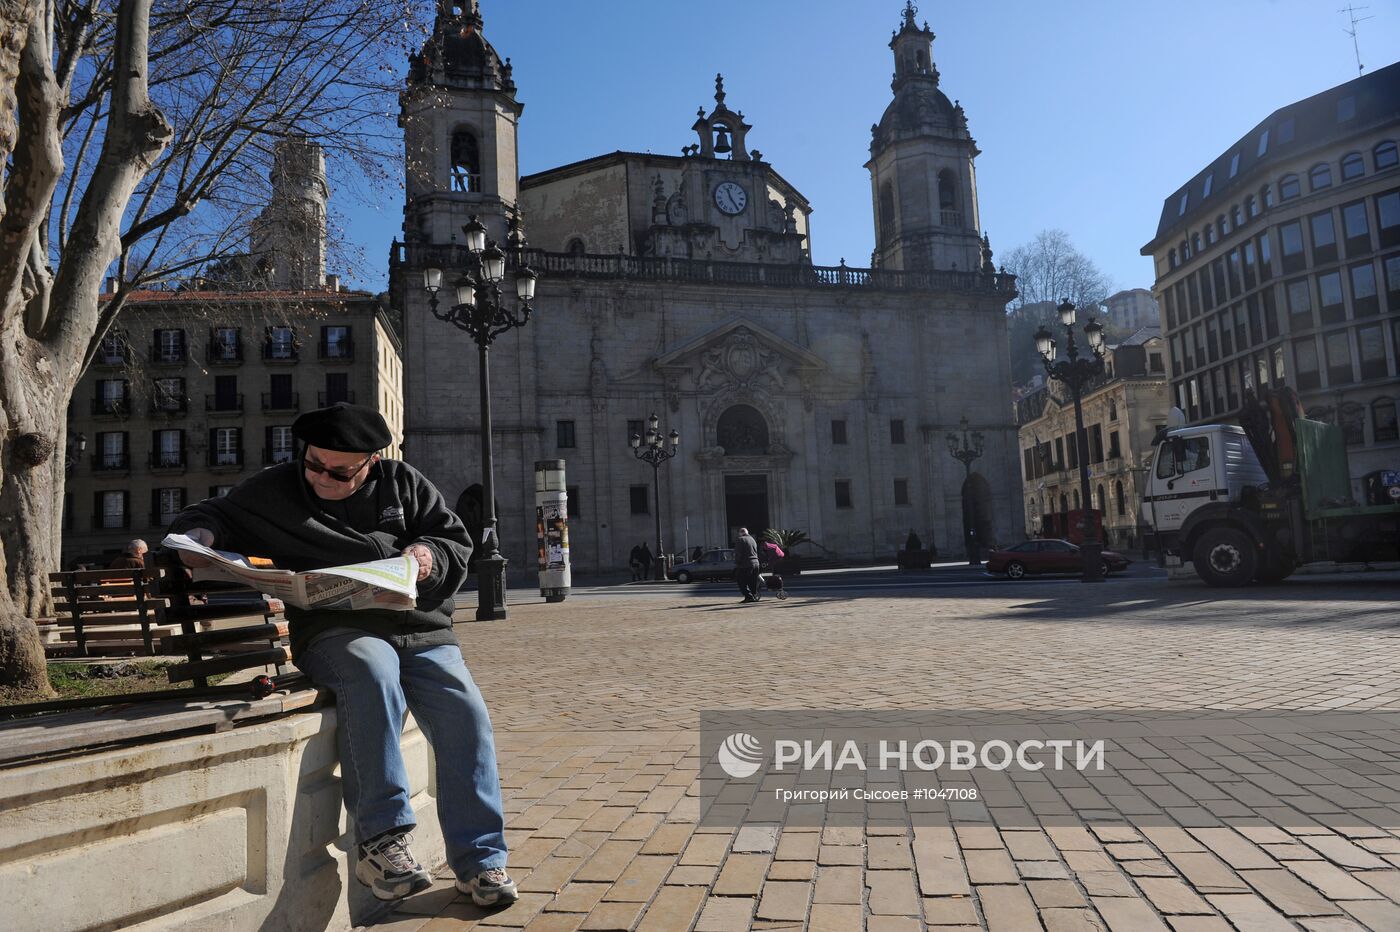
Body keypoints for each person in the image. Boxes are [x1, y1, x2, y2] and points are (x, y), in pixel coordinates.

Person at [166, 402, 517, 908]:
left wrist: (424, 557)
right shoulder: (275, 488)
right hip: (336, 631)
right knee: (372, 674)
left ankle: (481, 861)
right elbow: (211, 513)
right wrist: (199, 536)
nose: (321, 477)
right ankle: (381, 845)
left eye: (338, 471)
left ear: (370, 462)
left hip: (419, 630)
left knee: (466, 713)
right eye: (313, 464)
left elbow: (449, 540)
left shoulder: (404, 482)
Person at [734, 528, 761, 602]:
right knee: (752, 581)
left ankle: (748, 596)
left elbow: (739, 553)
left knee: (741, 581)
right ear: (747, 532)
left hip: (745, 564)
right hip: (756, 563)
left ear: (740, 533)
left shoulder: (740, 539)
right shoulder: (752, 539)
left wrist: (737, 562)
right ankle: (754, 595)